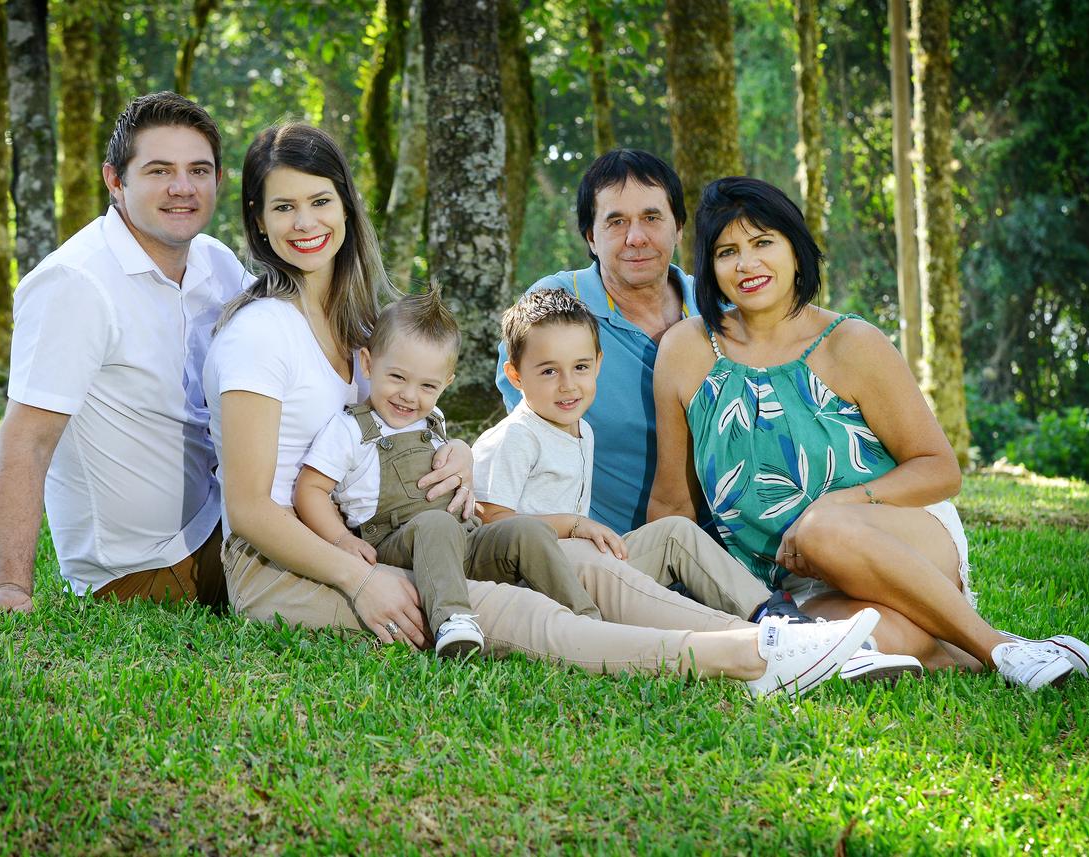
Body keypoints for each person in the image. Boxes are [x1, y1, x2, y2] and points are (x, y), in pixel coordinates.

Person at [203, 122, 884, 699]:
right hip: (289, 568)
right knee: (515, 605)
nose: (305, 223)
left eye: (319, 200)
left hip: (395, 535)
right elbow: (252, 509)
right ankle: (746, 660)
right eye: (283, 207)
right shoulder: (261, 333)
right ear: (257, 221)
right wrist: (362, 578)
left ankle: (775, 631)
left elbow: (400, 423)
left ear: (346, 207)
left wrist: (457, 451)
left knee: (581, 562)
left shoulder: (361, 327)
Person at [649, 175, 1089, 689]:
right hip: (788, 582)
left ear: (795, 250)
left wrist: (838, 506)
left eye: (762, 242)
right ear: (709, 268)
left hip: (897, 536)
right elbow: (672, 501)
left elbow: (938, 468)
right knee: (845, 638)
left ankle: (1003, 651)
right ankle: (966, 653)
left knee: (825, 531)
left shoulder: (851, 343)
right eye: (727, 251)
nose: (746, 264)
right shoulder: (687, 350)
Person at [475, 286, 923, 683]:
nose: (568, 385)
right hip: (532, 574)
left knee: (677, 533)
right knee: (598, 557)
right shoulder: (518, 436)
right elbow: (496, 525)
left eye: (580, 367)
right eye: (548, 371)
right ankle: (760, 644)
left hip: (579, 560)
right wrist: (574, 525)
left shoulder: (580, 429)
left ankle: (779, 616)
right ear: (516, 376)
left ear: (599, 365)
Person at [0, 92, 249, 615]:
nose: (183, 188)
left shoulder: (216, 262)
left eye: (198, 170)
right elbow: (27, 443)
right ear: (115, 181)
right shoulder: (76, 283)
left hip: (226, 520)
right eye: (159, 170)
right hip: (149, 568)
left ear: (218, 181)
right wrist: (11, 588)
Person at [294, 286, 601, 659]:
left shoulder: (432, 421)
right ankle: (453, 622)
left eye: (427, 385)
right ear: (368, 363)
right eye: (397, 377)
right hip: (396, 545)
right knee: (434, 524)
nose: (410, 396)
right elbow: (309, 489)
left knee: (528, 529)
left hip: (463, 542)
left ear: (446, 385)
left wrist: (460, 450)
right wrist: (341, 541)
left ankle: (587, 619)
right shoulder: (350, 431)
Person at [496, 149, 697, 536]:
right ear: (591, 236)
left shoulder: (717, 305)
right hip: (603, 546)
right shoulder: (554, 308)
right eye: (616, 222)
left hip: (731, 537)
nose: (636, 238)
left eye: (652, 218)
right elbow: (529, 434)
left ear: (678, 228)